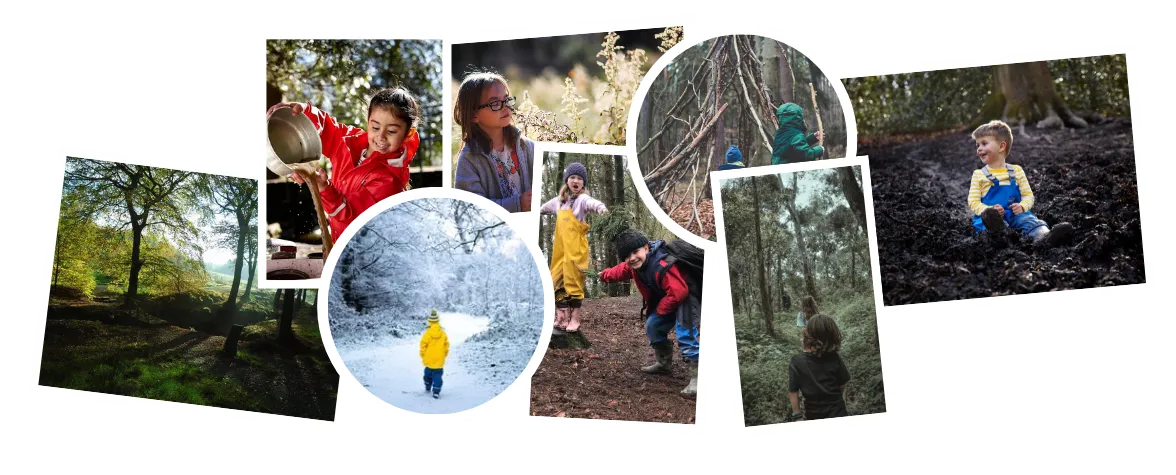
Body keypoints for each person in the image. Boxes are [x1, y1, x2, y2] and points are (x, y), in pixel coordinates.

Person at [266, 87, 422, 245]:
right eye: (375, 127)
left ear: (408, 133)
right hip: (339, 243)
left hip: (365, 253)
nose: (381, 137)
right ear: (368, 122)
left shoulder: (390, 180)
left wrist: (326, 190)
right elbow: (328, 129)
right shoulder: (350, 142)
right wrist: (304, 112)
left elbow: (353, 217)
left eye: (391, 131)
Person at [600, 229, 700, 397]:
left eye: (635, 252)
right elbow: (621, 270)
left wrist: (661, 309)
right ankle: (664, 363)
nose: (632, 258)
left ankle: (699, 377)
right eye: (627, 256)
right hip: (669, 298)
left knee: (685, 334)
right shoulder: (635, 265)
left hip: (686, 297)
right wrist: (605, 275)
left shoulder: (661, 264)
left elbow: (679, 292)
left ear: (646, 248)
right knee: (653, 326)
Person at [968, 120, 1074, 246]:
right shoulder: (979, 175)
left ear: (1002, 146)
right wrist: (988, 210)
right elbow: (973, 202)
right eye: (977, 145)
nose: (979, 149)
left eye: (984, 143)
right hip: (991, 218)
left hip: (1015, 214)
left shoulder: (1016, 171)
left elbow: (1028, 196)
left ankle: (1044, 237)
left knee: (1029, 220)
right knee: (988, 224)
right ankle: (1002, 237)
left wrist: (1022, 206)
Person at [539, 162, 608, 333]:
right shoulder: (558, 202)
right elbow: (541, 209)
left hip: (576, 250)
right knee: (554, 280)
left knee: (574, 282)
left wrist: (601, 209)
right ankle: (561, 316)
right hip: (560, 251)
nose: (576, 181)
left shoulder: (582, 200)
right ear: (567, 180)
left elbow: (594, 203)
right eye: (572, 177)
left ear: (583, 183)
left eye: (579, 178)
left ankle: (575, 318)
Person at [453, 72, 536, 213]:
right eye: (495, 103)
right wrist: (517, 204)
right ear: (473, 115)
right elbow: (470, 210)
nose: (505, 107)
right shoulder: (469, 161)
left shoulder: (526, 146)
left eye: (506, 99)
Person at [787, 314, 850, 422]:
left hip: (814, 415)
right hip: (838, 412)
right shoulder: (834, 358)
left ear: (808, 334)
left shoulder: (797, 361)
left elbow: (793, 392)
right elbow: (842, 386)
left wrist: (797, 416)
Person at [419, 309, 449, 399]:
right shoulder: (443, 333)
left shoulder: (427, 333)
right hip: (439, 359)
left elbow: (423, 345)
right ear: (438, 321)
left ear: (430, 322)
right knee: (438, 375)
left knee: (427, 374)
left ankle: (428, 386)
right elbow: (446, 345)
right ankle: (436, 391)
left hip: (429, 359)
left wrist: (423, 355)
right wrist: (444, 354)